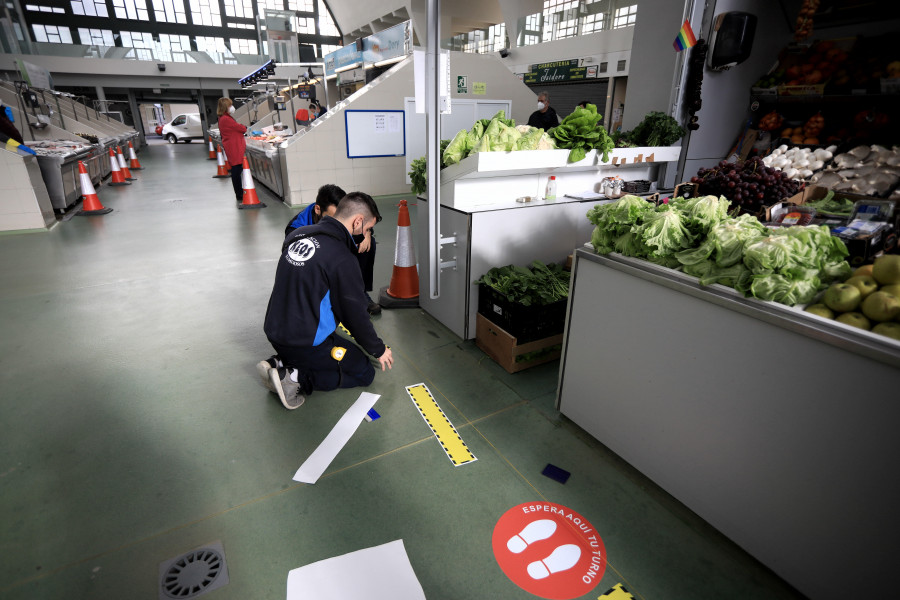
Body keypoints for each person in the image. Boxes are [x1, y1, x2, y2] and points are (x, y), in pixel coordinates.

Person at [260, 192, 393, 409]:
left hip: (274, 329)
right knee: (364, 371)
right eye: (368, 229)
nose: (367, 234)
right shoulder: (342, 258)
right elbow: (354, 314)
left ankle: (281, 361)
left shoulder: (297, 235)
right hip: (304, 342)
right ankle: (295, 378)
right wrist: (378, 349)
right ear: (357, 221)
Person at [285, 184, 381, 315]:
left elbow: (360, 220)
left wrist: (367, 232)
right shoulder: (296, 227)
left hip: (333, 248)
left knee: (367, 244)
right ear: (318, 209)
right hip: (315, 268)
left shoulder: (343, 214)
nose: (336, 223)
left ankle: (360, 292)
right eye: (331, 218)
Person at [216, 97, 248, 203]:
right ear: (225, 107)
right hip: (234, 147)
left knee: (237, 169)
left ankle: (239, 192)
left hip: (232, 146)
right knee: (236, 170)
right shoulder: (225, 119)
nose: (232, 107)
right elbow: (241, 128)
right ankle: (239, 193)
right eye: (230, 105)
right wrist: (244, 127)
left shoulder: (224, 117)